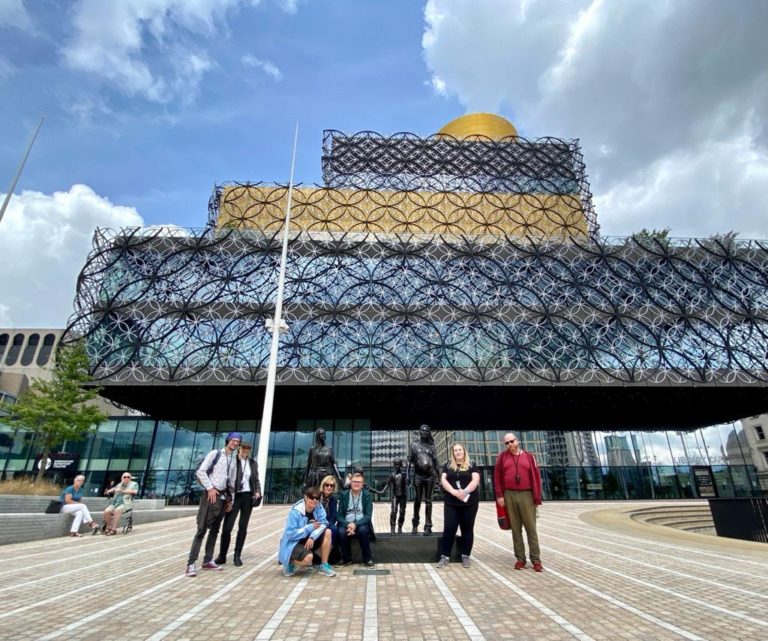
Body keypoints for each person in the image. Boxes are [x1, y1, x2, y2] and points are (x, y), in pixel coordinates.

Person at [185, 432, 239, 577]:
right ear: (228, 441)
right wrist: (210, 488)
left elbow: (232, 483)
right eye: (233, 440)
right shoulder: (215, 454)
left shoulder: (233, 461)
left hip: (222, 498)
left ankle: (208, 560)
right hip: (210, 496)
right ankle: (191, 563)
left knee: (215, 530)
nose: (235, 443)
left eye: (237, 441)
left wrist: (230, 501)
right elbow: (201, 472)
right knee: (201, 530)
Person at [493, 433, 544, 572]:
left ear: (517, 440)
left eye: (512, 441)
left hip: (526, 494)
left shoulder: (529, 456)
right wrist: (499, 495)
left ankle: (536, 560)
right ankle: (520, 559)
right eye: (507, 443)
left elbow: (536, 477)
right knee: (515, 529)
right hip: (509, 494)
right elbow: (497, 477)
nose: (510, 444)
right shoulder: (502, 458)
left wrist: (536, 497)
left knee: (531, 528)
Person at [215, 441, 262, 567]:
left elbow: (256, 479)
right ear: (239, 449)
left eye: (248, 449)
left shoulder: (253, 463)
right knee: (227, 527)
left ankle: (237, 555)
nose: (246, 451)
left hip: (247, 497)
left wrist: (257, 491)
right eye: (244, 448)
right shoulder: (233, 461)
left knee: (243, 527)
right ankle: (222, 555)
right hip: (234, 496)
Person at [436, 443, 480, 569]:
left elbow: (475, 480)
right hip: (452, 502)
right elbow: (443, 480)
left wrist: (464, 492)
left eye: (460, 449)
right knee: (449, 528)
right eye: (455, 450)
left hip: (469, 503)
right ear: (453, 453)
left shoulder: (472, 464)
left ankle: (465, 556)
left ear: (464, 451)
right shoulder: (448, 465)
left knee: (467, 528)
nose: (458, 452)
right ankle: (445, 556)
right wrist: (454, 492)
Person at [278, 486, 336, 577]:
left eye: (317, 499)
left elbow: (324, 523)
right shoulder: (295, 512)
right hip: (294, 542)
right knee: (308, 559)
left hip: (309, 540)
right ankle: (289, 562)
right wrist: (308, 528)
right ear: (306, 497)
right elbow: (290, 534)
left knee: (328, 532)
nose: (315, 501)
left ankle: (324, 565)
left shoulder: (319, 508)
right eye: (312, 498)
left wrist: (313, 536)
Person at [335, 471, 375, 567]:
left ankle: (367, 558)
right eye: (354, 481)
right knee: (341, 532)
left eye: (359, 482)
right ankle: (346, 559)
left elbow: (368, 516)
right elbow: (339, 516)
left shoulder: (367, 496)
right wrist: (348, 524)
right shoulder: (344, 495)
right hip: (346, 523)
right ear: (350, 483)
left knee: (363, 530)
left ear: (362, 485)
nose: (356, 484)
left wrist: (355, 525)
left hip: (361, 523)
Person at [407, 424, 438, 534]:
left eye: (426, 430)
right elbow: (409, 461)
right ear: (419, 432)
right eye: (422, 430)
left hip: (430, 476)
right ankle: (415, 523)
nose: (424, 432)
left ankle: (428, 526)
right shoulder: (414, 445)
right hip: (418, 476)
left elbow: (436, 462)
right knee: (418, 500)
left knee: (428, 501)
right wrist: (407, 475)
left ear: (429, 433)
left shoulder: (432, 446)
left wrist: (439, 477)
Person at [380, 459, 407, 534]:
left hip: (403, 496)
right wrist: (383, 491)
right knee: (394, 512)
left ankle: (400, 526)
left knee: (402, 512)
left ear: (401, 465)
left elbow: (408, 483)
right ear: (394, 465)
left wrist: (407, 478)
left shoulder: (404, 474)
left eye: (398, 464)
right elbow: (387, 484)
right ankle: (392, 527)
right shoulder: (392, 475)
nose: (397, 466)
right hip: (395, 496)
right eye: (396, 465)